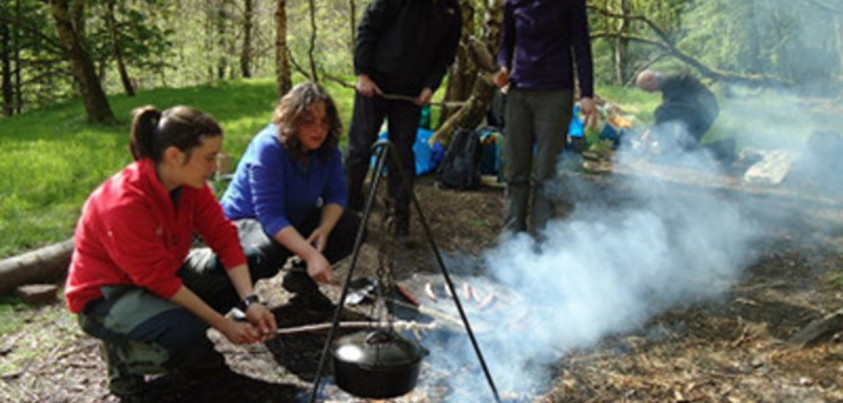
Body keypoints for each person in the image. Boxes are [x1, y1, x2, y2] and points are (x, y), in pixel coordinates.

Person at [65, 106, 278, 399]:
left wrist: (250, 301)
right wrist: (223, 324)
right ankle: (123, 360)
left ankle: (173, 329)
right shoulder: (125, 203)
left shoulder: (190, 183)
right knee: (184, 336)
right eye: (209, 158)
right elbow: (159, 281)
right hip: (108, 296)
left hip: (163, 273)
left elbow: (225, 238)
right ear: (175, 155)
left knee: (249, 260)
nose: (215, 166)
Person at [220, 82, 359, 297]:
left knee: (350, 226)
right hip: (245, 223)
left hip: (292, 217)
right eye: (309, 122)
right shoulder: (269, 147)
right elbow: (270, 215)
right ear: (292, 122)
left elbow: (337, 195)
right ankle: (238, 296)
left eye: (324, 122)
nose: (319, 130)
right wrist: (311, 254)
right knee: (267, 251)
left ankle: (301, 279)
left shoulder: (328, 149)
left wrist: (324, 229)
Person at [345, 0, 462, 244]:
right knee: (361, 146)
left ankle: (399, 220)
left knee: (402, 153)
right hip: (374, 84)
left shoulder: (451, 10)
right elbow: (368, 28)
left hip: (411, 92)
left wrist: (430, 86)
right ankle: (348, 214)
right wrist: (363, 73)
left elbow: (445, 56)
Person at [494, 0, 597, 236]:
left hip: (555, 92)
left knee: (546, 172)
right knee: (515, 169)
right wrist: (503, 68)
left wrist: (587, 94)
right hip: (519, 91)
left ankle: (542, 237)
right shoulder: (513, 3)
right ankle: (513, 237)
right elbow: (505, 44)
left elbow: (581, 46)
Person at [635, 69, 731, 160]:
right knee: (686, 149)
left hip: (704, 111)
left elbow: (668, 111)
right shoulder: (667, 82)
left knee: (662, 111)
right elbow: (675, 111)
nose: (650, 92)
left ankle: (725, 147)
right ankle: (725, 147)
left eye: (647, 89)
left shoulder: (670, 80)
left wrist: (651, 132)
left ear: (649, 78)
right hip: (699, 111)